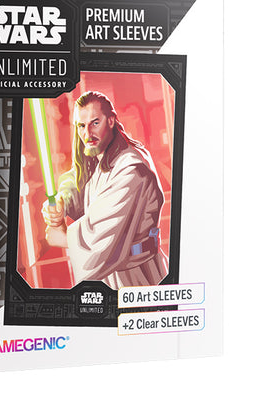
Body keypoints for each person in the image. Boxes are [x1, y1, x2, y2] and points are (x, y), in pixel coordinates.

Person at [41, 91, 167, 289]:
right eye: (81, 126)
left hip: (136, 277)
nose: (87, 134)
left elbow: (103, 235)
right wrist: (61, 202)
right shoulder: (102, 154)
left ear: (110, 121)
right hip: (113, 276)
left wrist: (63, 238)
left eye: (95, 123)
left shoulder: (131, 170)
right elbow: (78, 180)